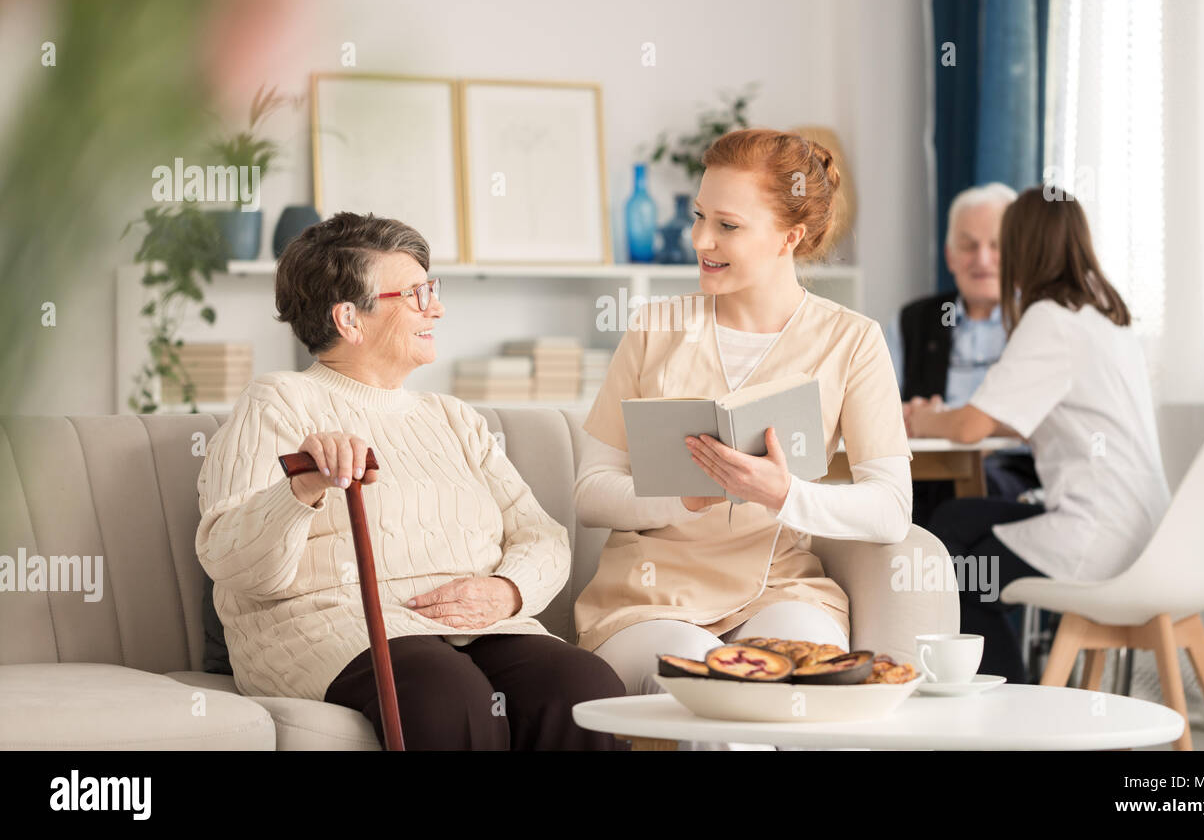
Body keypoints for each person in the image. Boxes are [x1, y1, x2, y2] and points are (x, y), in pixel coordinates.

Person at [195, 212, 626, 750]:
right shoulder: (279, 401)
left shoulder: (452, 417)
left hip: (478, 626)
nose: (437, 308)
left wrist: (506, 591)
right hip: (338, 626)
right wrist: (301, 488)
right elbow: (233, 563)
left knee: (585, 690)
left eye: (433, 290)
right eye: (418, 295)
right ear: (350, 319)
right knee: (447, 694)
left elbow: (541, 535)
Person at [573, 128, 914, 709]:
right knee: (716, 690)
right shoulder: (656, 328)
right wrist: (681, 498)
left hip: (783, 588)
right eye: (700, 216)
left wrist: (787, 494)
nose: (701, 239)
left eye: (727, 226)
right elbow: (589, 494)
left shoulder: (851, 341)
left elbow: (891, 510)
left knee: (811, 688)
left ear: (791, 235)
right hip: (651, 598)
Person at [906, 185, 1171, 684]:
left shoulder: (1049, 318)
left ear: (1025, 245)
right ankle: (996, 685)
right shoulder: (1101, 317)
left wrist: (920, 418)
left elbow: (969, 427)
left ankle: (1014, 702)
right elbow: (1011, 415)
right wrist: (952, 416)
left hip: (1096, 535)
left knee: (961, 577)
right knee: (956, 521)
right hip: (1144, 527)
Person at [885, 183, 1040, 522]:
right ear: (950, 256)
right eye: (968, 246)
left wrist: (958, 425)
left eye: (997, 245)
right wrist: (911, 413)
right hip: (923, 469)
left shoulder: (1038, 321)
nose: (982, 260)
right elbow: (878, 406)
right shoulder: (913, 320)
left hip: (1013, 471)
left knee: (959, 508)